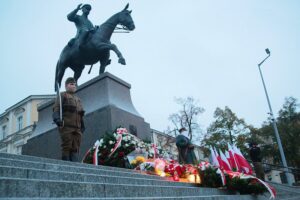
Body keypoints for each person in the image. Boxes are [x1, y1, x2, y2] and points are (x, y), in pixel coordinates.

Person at [53, 77, 85, 162]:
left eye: (75, 84)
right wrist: (56, 119)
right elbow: (56, 108)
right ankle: (66, 165)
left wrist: (82, 124)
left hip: (77, 128)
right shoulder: (62, 95)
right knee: (67, 146)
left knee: (76, 147)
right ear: (66, 86)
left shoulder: (78, 99)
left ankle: (74, 165)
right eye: (71, 84)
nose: (74, 86)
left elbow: (80, 113)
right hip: (66, 126)